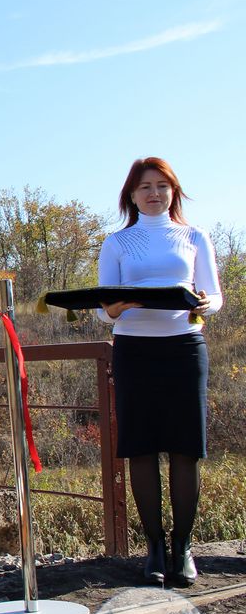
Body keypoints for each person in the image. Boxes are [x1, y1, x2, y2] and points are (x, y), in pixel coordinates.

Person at [97, 157, 222, 586]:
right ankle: (154, 548)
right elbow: (105, 312)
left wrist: (205, 304)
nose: (154, 193)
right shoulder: (116, 243)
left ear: (173, 191)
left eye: (161, 185)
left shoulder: (194, 236)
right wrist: (121, 305)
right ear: (131, 195)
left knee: (186, 449)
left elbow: (215, 296)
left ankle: (183, 548)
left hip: (185, 348)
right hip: (134, 351)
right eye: (145, 186)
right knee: (142, 448)